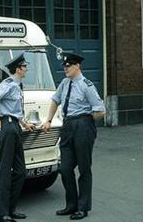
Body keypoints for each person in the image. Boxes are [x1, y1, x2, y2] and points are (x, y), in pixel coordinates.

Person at [41, 53, 105, 220]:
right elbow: (55, 101)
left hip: (83, 126)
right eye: (64, 66)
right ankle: (71, 205)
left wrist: (86, 121)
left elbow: (100, 110)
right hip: (67, 126)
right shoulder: (64, 83)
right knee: (65, 168)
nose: (65, 69)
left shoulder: (87, 86)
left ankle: (82, 207)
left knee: (84, 168)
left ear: (77, 66)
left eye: (68, 66)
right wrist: (48, 120)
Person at [0, 53, 35, 222]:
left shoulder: (18, 85)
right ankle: (2, 213)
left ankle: (11, 209)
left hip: (15, 127)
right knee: (5, 171)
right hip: (7, 128)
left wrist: (24, 124)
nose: (27, 68)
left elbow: (14, 110)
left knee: (20, 171)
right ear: (18, 69)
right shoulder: (9, 84)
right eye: (25, 66)